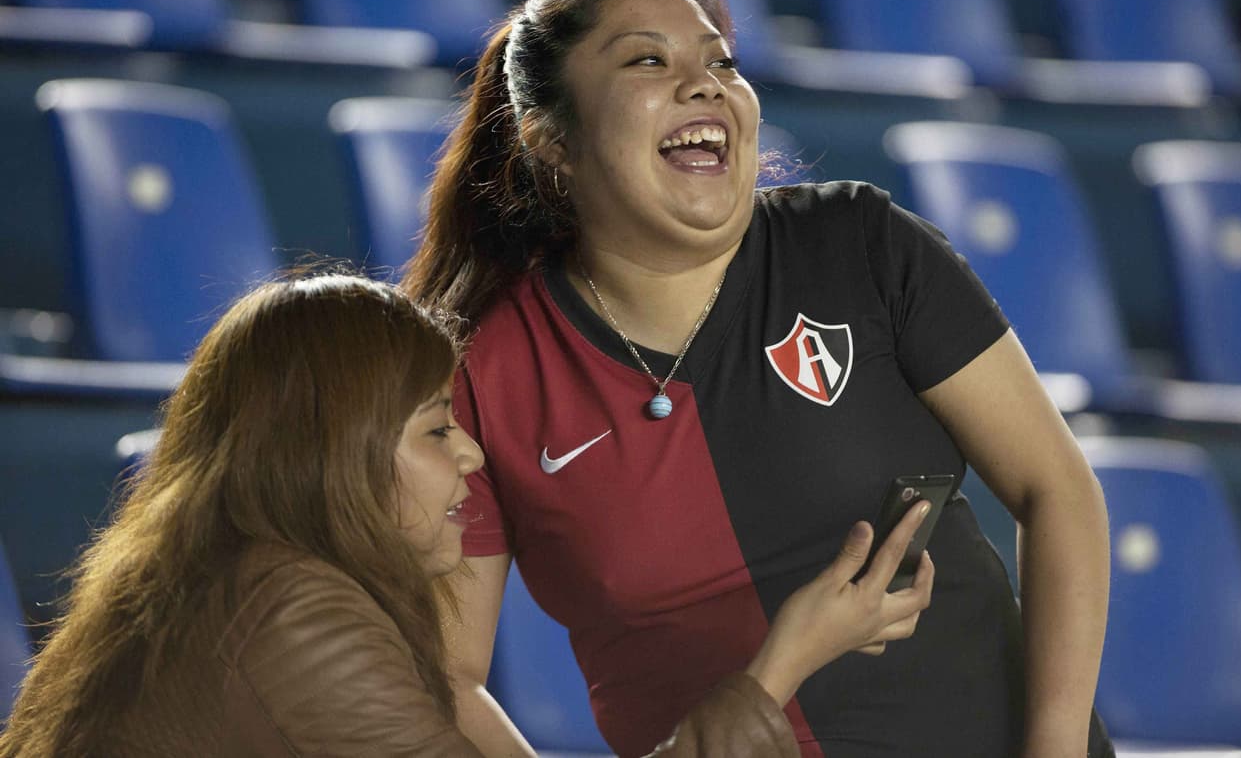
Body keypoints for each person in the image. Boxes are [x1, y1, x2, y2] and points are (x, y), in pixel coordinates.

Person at [403, 0, 1114, 758]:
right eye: (646, 61)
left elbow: (1057, 487)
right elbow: (442, 678)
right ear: (551, 141)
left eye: (723, 62)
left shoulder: (861, 242)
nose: (705, 82)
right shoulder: (486, 370)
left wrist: (1056, 748)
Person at [0, 272, 935, 758]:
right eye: (436, 428)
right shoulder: (293, 610)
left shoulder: (241, 578)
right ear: (335, 451)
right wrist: (781, 665)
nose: (473, 455)